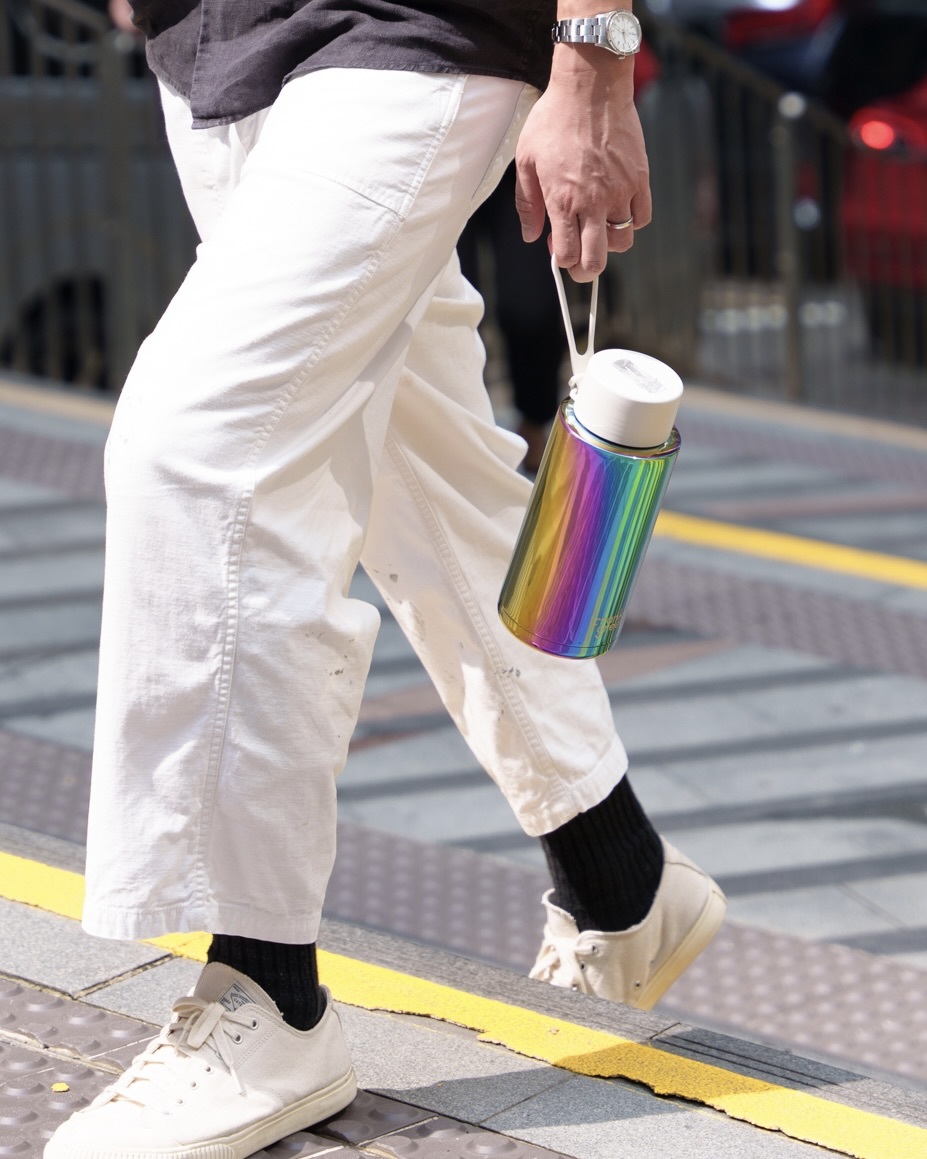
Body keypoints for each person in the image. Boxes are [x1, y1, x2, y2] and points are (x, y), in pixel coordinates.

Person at [45, 4, 726, 1157]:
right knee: (415, 445)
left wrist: (594, 58)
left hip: (417, 29)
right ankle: (620, 873)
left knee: (199, 451)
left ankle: (267, 994)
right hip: (213, 43)